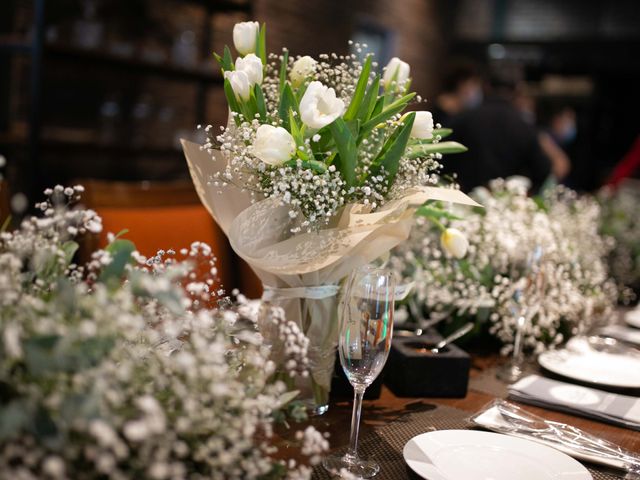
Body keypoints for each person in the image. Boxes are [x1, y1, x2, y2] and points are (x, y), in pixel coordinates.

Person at [443, 66, 551, 192]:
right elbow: (543, 169)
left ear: (485, 86)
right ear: (517, 90)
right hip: (505, 205)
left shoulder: (463, 119)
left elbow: (439, 160)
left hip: (463, 203)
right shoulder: (524, 126)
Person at [431, 61, 483, 127]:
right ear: (461, 84)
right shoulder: (441, 113)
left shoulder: (465, 112)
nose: (477, 89)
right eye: (474, 84)